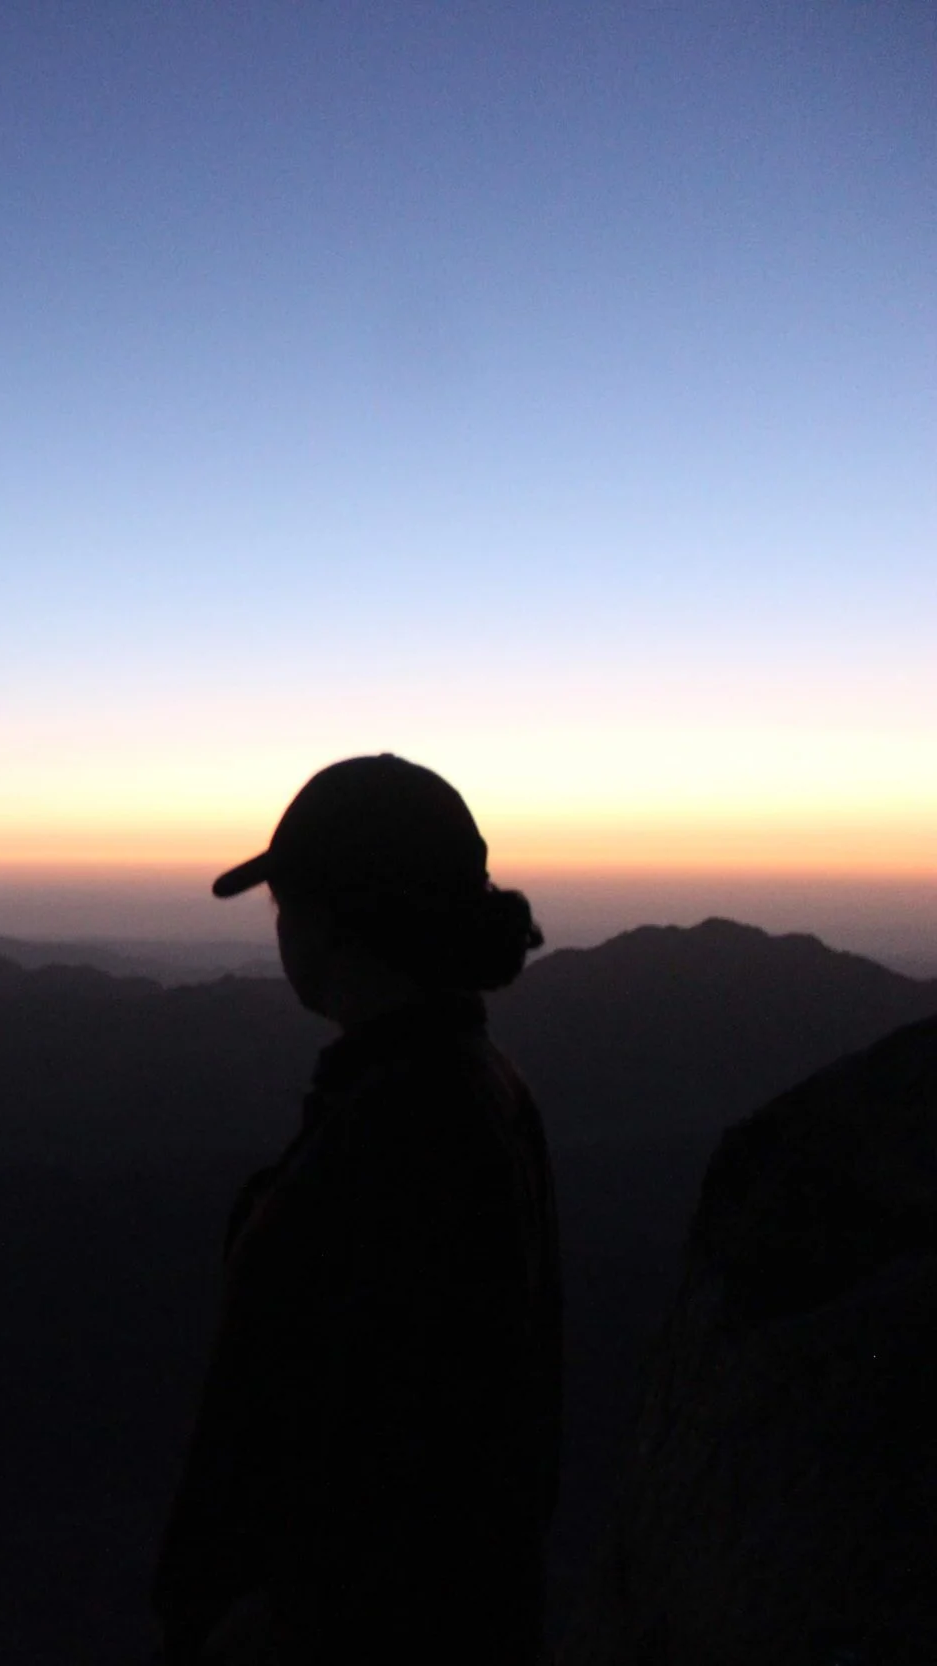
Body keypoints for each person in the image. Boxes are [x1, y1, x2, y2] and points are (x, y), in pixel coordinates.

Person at [152, 753, 564, 1666]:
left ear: (336, 920)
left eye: (284, 903)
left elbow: (410, 1449)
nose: (279, 929)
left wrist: (274, 1617)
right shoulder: (463, 1092)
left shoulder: (407, 1129)